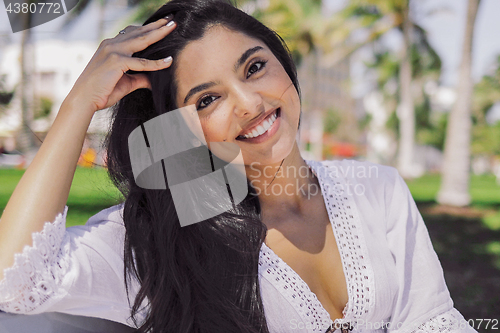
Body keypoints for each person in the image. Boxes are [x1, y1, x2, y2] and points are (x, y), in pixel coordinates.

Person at [0, 0, 478, 332]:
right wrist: (79, 104)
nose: (250, 103)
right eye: (208, 99)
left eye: (254, 67)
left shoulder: (376, 189)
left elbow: (432, 321)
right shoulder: (160, 238)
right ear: (180, 130)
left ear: (284, 64)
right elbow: (14, 283)